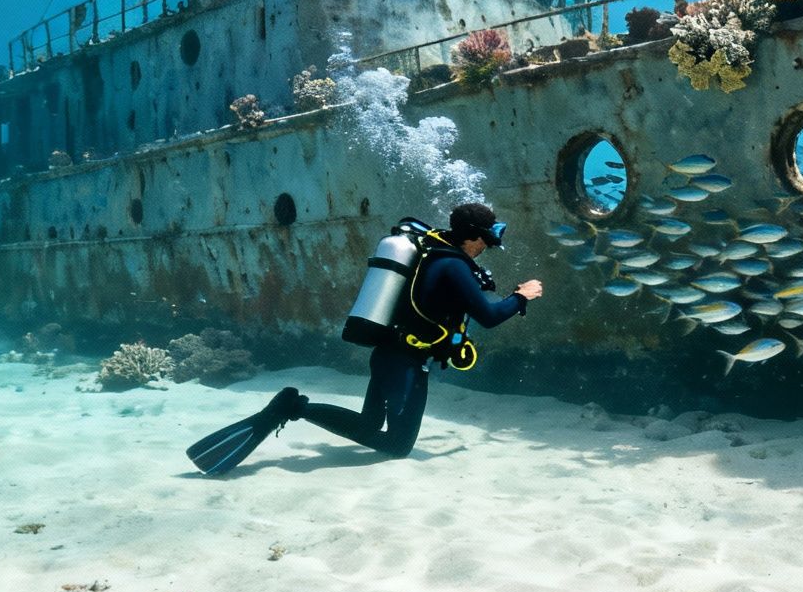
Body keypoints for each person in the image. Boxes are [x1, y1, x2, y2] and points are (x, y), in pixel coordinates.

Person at [186, 202, 542, 474]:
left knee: (369, 424)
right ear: (474, 236)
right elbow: (489, 317)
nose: (487, 247)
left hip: (390, 353)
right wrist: (521, 296)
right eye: (486, 240)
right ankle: (292, 408)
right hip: (404, 364)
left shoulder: (437, 252)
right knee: (398, 445)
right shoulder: (453, 264)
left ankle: (294, 406)